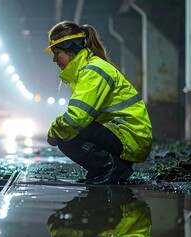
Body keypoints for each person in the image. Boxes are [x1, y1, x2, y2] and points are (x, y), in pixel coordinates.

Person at [44, 21, 152, 184]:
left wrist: (54, 131)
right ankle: (103, 170)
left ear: (70, 50)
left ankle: (112, 168)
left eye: (57, 52)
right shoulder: (88, 69)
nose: (54, 59)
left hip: (131, 137)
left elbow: (76, 118)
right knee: (70, 132)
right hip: (125, 134)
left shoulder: (92, 71)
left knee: (66, 134)